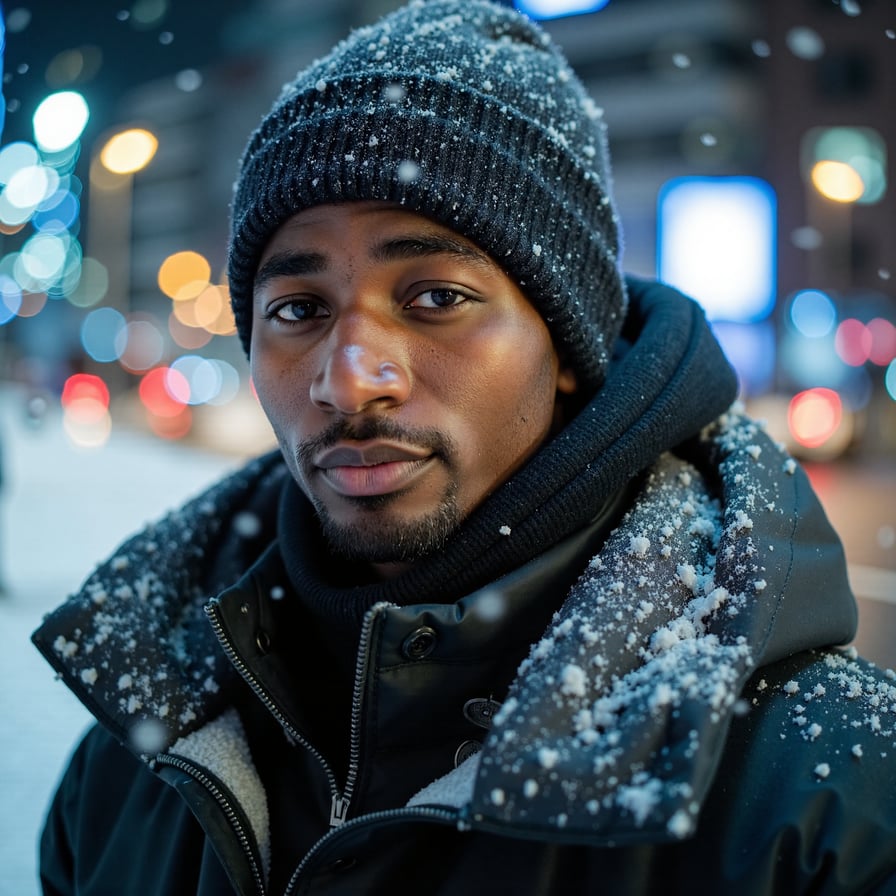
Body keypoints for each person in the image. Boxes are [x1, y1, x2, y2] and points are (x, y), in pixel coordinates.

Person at [32, 1, 896, 893]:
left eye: (436, 298)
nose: (350, 381)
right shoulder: (138, 758)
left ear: (569, 348)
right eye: (299, 309)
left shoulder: (824, 795)